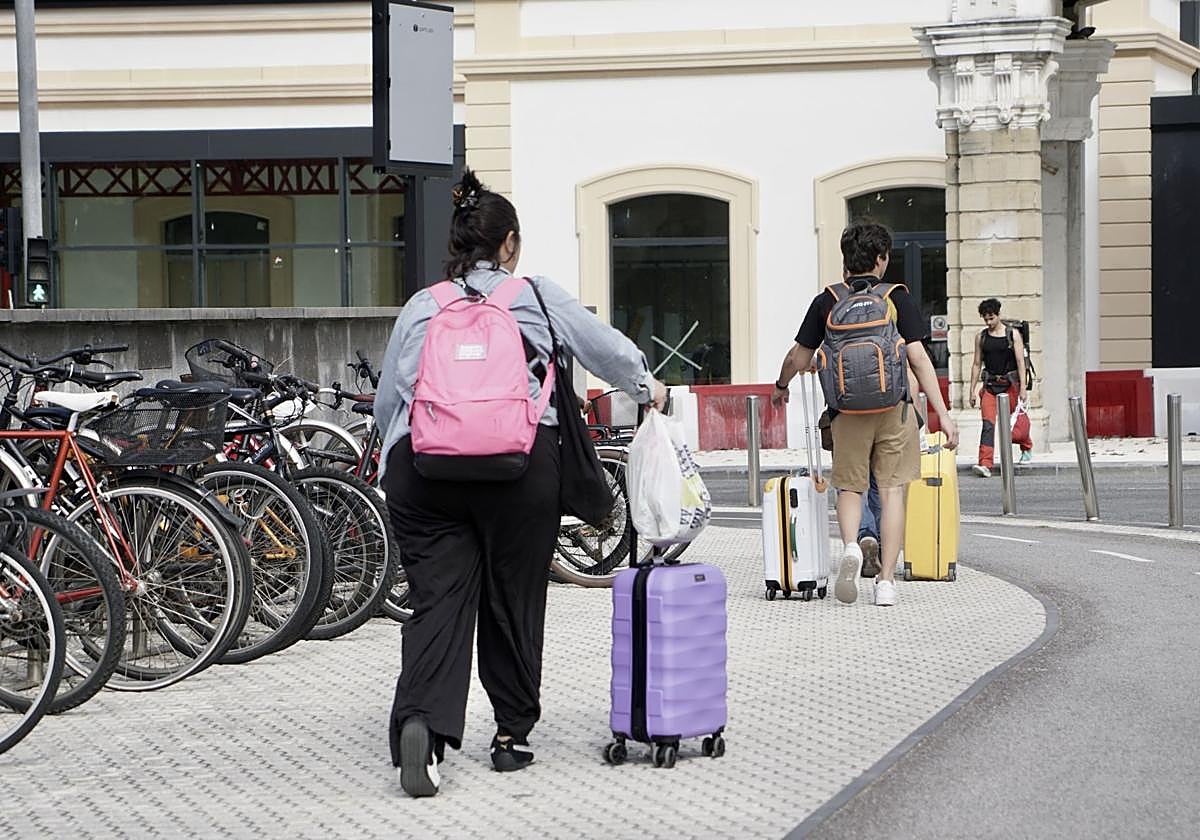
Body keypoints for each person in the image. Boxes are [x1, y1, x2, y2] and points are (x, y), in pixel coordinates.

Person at [375, 168, 667, 798]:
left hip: (425, 474)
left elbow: (388, 405)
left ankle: (423, 726)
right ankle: (510, 737)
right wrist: (649, 387)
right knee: (513, 601)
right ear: (508, 245)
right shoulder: (533, 296)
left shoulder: (423, 306)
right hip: (520, 466)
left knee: (438, 601)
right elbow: (603, 349)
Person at [771, 223, 958, 608]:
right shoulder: (895, 298)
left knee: (851, 488)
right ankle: (887, 582)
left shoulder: (827, 301)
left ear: (845, 264)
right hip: (894, 410)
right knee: (891, 492)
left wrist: (781, 385)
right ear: (881, 259)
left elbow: (799, 358)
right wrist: (943, 413)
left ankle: (853, 546)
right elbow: (919, 359)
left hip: (846, 412)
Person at [968, 298, 1033, 477]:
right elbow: (976, 363)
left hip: (1010, 385)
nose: (988, 322)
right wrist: (972, 390)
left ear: (998, 315)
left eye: (991, 318)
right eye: (985, 319)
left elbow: (1020, 362)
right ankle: (985, 463)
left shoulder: (1012, 334)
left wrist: (1023, 388)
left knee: (1016, 424)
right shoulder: (981, 337)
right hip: (990, 386)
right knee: (988, 425)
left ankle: (1026, 446)